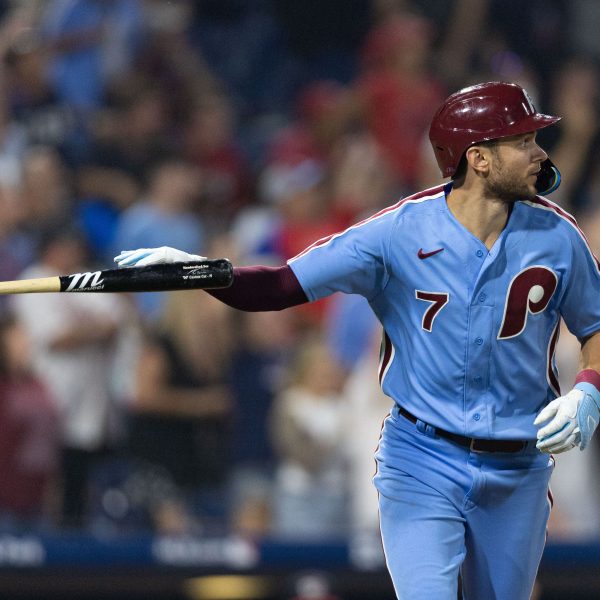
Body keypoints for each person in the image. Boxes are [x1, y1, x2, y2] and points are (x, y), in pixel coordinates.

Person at [114, 81, 600, 600]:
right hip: (424, 457)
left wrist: (588, 388)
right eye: (523, 141)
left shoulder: (558, 236)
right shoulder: (394, 233)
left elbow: (594, 326)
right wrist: (195, 271)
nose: (540, 154)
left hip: (519, 465)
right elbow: (280, 287)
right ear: (478, 158)